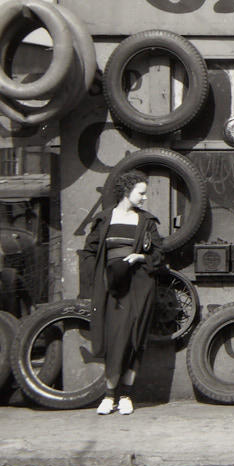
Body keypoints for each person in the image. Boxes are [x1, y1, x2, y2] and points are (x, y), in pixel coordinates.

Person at [79, 170, 164, 415]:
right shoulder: (105, 219)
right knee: (115, 339)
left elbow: (159, 254)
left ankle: (126, 395)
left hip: (139, 286)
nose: (145, 198)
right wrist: (99, 279)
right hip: (112, 288)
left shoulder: (146, 222)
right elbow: (89, 252)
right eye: (141, 193)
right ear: (127, 192)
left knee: (134, 338)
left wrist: (140, 257)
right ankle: (109, 396)